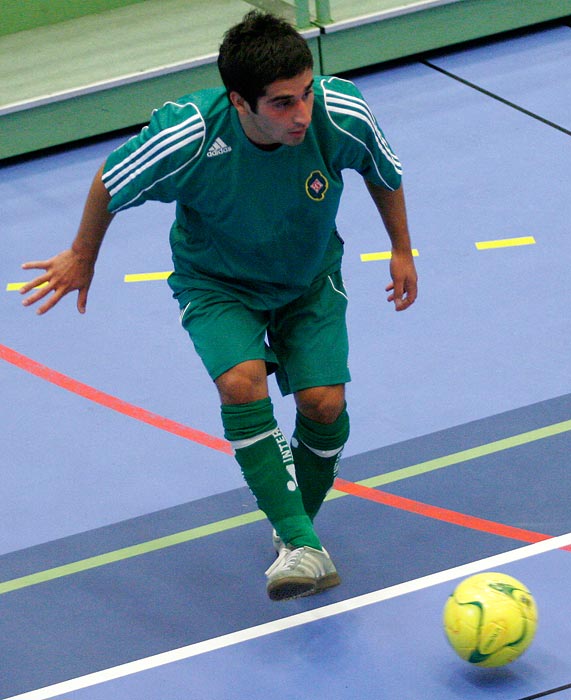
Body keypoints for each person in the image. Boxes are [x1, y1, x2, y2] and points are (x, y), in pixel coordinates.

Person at [20, 10, 418, 601]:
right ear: (239, 101)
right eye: (282, 103)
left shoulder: (340, 114)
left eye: (306, 93)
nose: (302, 114)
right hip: (217, 284)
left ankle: (294, 539)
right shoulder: (190, 135)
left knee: (323, 404)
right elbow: (110, 178)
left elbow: (382, 172)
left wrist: (401, 248)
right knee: (240, 383)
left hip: (308, 279)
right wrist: (83, 255)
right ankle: (301, 541)